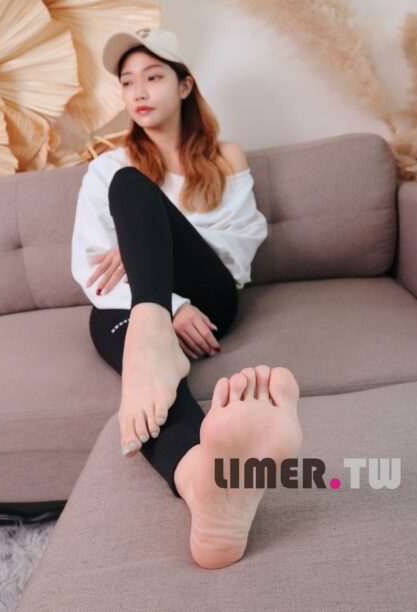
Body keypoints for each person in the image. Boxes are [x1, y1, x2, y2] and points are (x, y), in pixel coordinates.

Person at [71, 27, 303, 570]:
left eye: (153, 77)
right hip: (149, 312)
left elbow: (239, 246)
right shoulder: (106, 166)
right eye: (128, 82)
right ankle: (201, 478)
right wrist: (167, 305)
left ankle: (149, 334)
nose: (138, 91)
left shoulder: (224, 157)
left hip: (212, 299)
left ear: (184, 85)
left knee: (135, 193)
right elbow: (93, 270)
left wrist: (149, 242)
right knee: (107, 308)